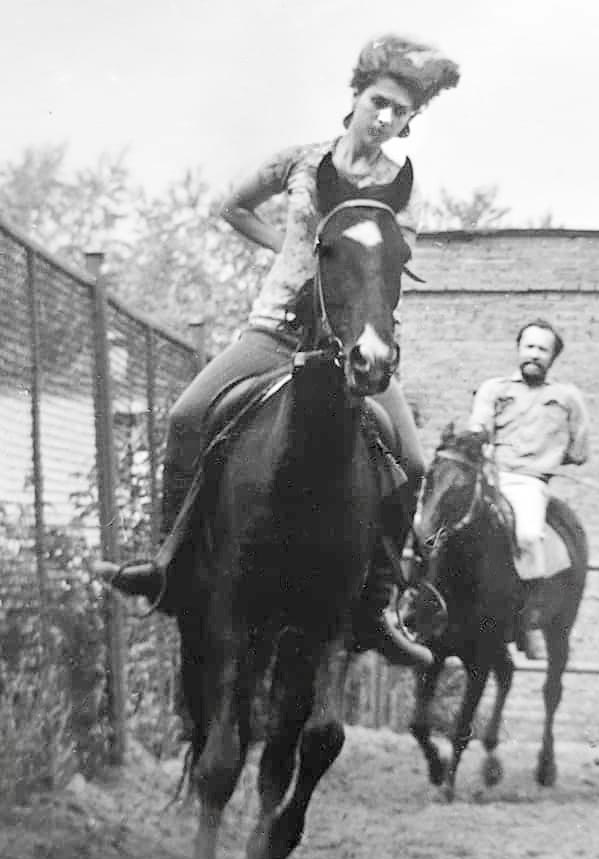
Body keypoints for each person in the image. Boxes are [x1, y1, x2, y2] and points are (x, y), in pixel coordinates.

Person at [95, 34, 460, 666]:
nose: (384, 117)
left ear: (408, 123)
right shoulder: (299, 163)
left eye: (399, 112)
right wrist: (290, 253)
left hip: (351, 347)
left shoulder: (402, 188)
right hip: (275, 331)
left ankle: (376, 605)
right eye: (377, 102)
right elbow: (232, 207)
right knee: (186, 416)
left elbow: (383, 268)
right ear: (356, 97)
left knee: (414, 459)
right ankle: (166, 564)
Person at [468, 320, 589, 658]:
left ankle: (527, 619)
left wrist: (547, 459)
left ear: (553, 357)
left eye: (543, 349)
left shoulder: (567, 398)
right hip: (490, 476)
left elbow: (580, 450)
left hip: (529, 482)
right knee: (441, 523)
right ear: (519, 349)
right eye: (529, 346)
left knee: (527, 535)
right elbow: (478, 427)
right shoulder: (494, 389)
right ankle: (420, 604)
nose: (534, 354)